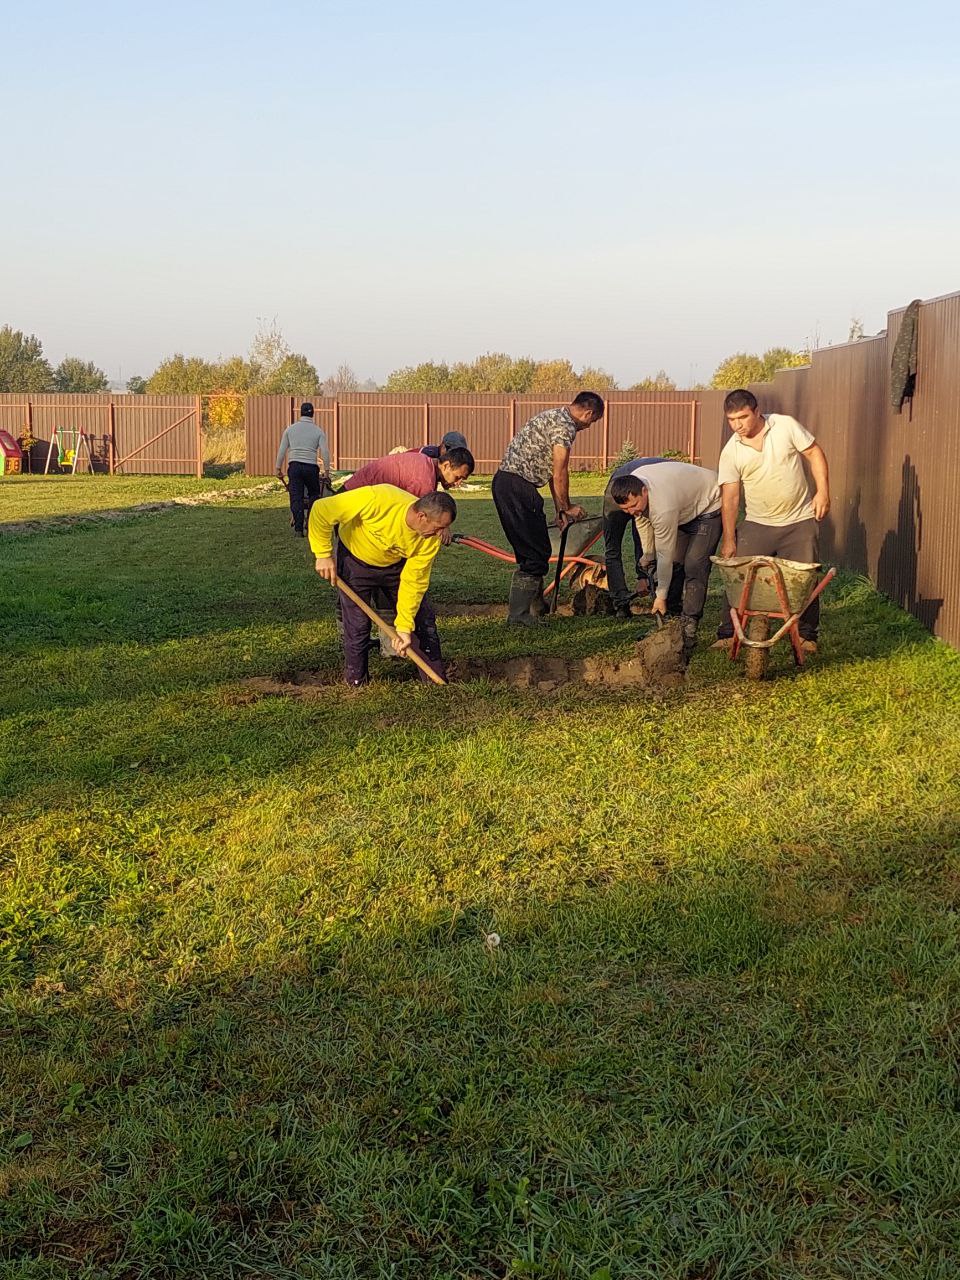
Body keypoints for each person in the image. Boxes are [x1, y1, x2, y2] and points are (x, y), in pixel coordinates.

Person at [713, 390, 830, 653]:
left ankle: (807, 635)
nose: (737, 425)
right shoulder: (731, 450)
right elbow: (730, 498)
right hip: (758, 522)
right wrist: (729, 540)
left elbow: (814, 453)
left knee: (804, 577)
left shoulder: (785, 426)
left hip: (799, 520)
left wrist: (822, 491)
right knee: (738, 574)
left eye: (742, 417)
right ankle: (729, 632)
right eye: (731, 420)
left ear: (757, 411)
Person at [309, 485, 456, 686]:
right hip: (355, 561)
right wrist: (323, 555)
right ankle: (356, 682)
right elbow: (322, 509)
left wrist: (403, 627)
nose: (441, 533)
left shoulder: (429, 540)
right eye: (438, 527)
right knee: (358, 624)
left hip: (394, 567)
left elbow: (414, 582)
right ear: (422, 516)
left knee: (422, 620)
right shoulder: (378, 499)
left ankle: (434, 681)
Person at [492, 391, 605, 625]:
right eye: (591, 422)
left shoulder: (552, 416)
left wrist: (559, 509)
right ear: (588, 412)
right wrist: (568, 506)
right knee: (535, 555)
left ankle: (535, 607)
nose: (588, 426)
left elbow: (553, 474)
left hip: (507, 483)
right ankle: (520, 616)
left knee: (532, 551)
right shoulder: (565, 427)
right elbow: (560, 470)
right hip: (517, 488)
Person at [609, 460, 723, 659]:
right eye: (626, 509)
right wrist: (647, 554)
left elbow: (665, 555)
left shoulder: (663, 508)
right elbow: (641, 520)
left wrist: (660, 596)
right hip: (684, 506)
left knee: (694, 565)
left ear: (644, 491)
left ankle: (689, 628)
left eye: (634, 505)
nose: (631, 511)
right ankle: (671, 622)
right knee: (677, 566)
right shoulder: (636, 483)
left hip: (709, 505)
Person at [602, 455, 684, 620]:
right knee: (620, 545)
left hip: (622, 486)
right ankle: (643, 600)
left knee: (617, 548)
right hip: (619, 488)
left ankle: (624, 605)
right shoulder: (671, 477)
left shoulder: (665, 475)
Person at [276, 402, 332, 536]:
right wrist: (327, 471)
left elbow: (282, 450)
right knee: (314, 494)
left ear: (300, 413)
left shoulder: (290, 429)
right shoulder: (318, 431)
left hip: (294, 466)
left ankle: (298, 529)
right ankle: (311, 522)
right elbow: (325, 452)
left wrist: (278, 468)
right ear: (312, 414)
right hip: (311, 467)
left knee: (296, 497)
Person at [343, 445, 474, 500]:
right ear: (446, 466)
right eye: (458, 477)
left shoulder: (425, 462)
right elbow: (419, 515)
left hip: (352, 493)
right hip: (352, 500)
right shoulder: (424, 478)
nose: (458, 483)